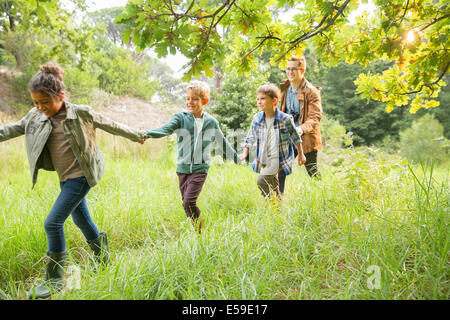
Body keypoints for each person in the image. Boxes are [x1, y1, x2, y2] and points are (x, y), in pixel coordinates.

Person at [0, 62, 147, 299]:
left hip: (81, 177)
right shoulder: (35, 116)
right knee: (82, 219)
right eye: (35, 102)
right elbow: (12, 129)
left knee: (52, 223)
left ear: (61, 95)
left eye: (44, 102)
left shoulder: (79, 112)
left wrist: (137, 134)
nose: (40, 107)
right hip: (65, 178)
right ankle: (104, 261)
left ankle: (54, 280)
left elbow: (110, 124)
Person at [145, 80, 238, 234]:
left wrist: (238, 159)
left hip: (200, 169)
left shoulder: (211, 122)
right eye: (188, 98)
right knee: (185, 204)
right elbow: (166, 129)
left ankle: (200, 234)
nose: (190, 102)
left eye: (194, 99)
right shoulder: (180, 118)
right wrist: (147, 134)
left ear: (205, 101)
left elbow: (223, 143)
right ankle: (197, 232)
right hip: (182, 168)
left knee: (189, 202)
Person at [241, 83, 306, 203]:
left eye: (263, 98)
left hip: (281, 158)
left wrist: (301, 154)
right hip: (265, 157)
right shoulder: (257, 118)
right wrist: (244, 154)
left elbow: (296, 138)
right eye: (258, 99)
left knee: (261, 180)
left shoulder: (285, 119)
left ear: (274, 101)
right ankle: (278, 206)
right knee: (273, 184)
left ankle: (272, 203)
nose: (259, 102)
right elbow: (250, 137)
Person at [279, 55, 323, 193]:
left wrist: (301, 129)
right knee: (281, 170)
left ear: (302, 70)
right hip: (288, 137)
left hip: (306, 137)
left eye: (294, 69)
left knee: (312, 171)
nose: (290, 72)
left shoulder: (311, 92)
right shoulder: (285, 88)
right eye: (288, 69)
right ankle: (277, 204)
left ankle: (323, 197)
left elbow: (315, 118)